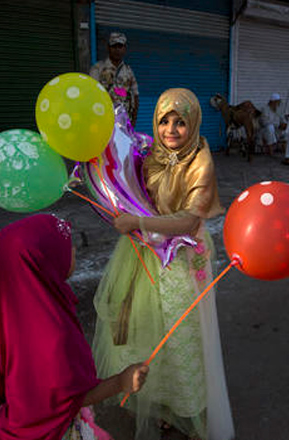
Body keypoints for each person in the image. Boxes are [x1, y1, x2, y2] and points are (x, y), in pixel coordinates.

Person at [92, 88, 234, 440]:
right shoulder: (148, 154)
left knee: (182, 337)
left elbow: (189, 221)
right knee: (151, 334)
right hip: (144, 256)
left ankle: (191, 413)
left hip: (182, 260)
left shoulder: (200, 160)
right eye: (164, 120)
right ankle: (165, 406)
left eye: (181, 122)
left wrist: (137, 223)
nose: (171, 129)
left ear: (194, 124)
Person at [0, 214, 149, 440]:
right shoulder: (53, 334)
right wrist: (121, 381)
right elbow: (68, 400)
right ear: (46, 261)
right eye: (68, 248)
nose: (73, 252)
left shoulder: (19, 310)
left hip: (22, 420)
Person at [90, 32, 139, 125]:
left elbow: (135, 96)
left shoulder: (128, 71)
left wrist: (133, 122)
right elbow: (91, 94)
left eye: (120, 46)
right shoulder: (98, 69)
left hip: (123, 122)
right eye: (114, 46)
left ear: (125, 49)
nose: (117, 50)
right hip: (103, 121)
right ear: (108, 48)